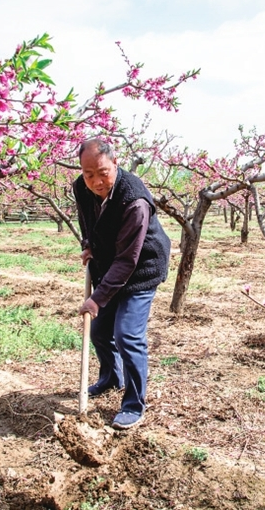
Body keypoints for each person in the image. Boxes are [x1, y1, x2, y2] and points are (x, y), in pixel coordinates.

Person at [73, 138, 171, 430]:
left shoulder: (135, 201)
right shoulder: (81, 187)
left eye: (103, 172)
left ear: (116, 163)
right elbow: (87, 220)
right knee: (101, 332)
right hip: (110, 260)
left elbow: (128, 260)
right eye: (89, 174)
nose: (96, 181)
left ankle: (133, 404)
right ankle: (110, 377)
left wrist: (96, 299)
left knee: (127, 334)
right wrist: (89, 243)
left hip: (141, 267)